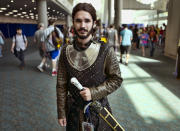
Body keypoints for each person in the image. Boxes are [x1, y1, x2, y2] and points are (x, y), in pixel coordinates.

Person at [56, 3, 123, 131]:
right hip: (74, 113)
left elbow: (116, 79)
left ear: (93, 23)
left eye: (87, 21)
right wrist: (61, 112)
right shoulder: (65, 51)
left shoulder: (105, 50)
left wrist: (93, 92)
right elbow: (61, 84)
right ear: (73, 23)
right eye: (78, 21)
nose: (82, 25)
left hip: (99, 112)